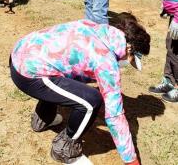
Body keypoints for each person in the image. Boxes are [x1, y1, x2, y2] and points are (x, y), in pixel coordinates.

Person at [10, 14, 150, 165]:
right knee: (91, 100)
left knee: (64, 80)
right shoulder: (106, 61)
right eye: (130, 59)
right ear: (129, 48)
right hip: (29, 74)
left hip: (19, 55)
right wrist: (131, 161)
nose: (127, 63)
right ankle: (63, 150)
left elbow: (76, 65)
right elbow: (115, 116)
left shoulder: (96, 28)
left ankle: (43, 119)